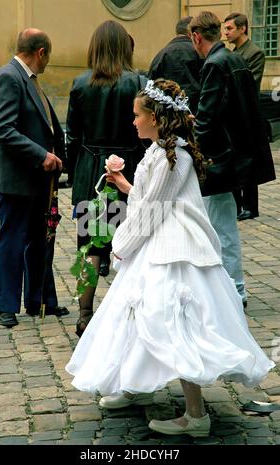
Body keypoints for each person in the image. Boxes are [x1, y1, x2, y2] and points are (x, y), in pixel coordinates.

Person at [66, 78, 274, 438]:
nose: (132, 122)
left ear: (156, 118)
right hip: (159, 236)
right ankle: (135, 386)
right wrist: (124, 185)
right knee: (136, 313)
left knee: (174, 320)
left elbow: (153, 211)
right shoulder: (158, 150)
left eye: (137, 115)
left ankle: (195, 415)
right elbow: (149, 199)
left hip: (173, 246)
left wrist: (121, 245)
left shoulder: (169, 156)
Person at [0, 28, 69, 328]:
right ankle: (5, 305)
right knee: (13, 239)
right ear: (41, 52)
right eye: (48, 57)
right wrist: (41, 155)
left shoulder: (28, 80)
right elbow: (2, 129)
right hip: (17, 178)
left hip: (36, 179)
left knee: (38, 240)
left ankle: (40, 300)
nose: (47, 63)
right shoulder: (9, 77)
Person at [66, 20, 146, 337]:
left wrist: (76, 176)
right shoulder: (137, 82)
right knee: (131, 243)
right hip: (128, 170)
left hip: (92, 173)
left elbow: (73, 135)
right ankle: (130, 311)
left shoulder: (81, 82)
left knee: (90, 246)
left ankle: (85, 314)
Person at [190, 11, 275, 308]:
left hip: (220, 158)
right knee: (221, 223)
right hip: (233, 155)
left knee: (221, 225)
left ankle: (234, 289)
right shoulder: (233, 58)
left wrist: (193, 147)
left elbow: (209, 116)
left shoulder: (215, 63)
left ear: (197, 37)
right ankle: (231, 287)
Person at [224, 12, 266, 221]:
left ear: (243, 29)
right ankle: (238, 203)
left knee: (248, 161)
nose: (226, 33)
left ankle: (250, 205)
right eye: (225, 28)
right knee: (237, 160)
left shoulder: (254, 52)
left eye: (230, 28)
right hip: (234, 113)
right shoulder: (235, 52)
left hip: (248, 113)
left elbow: (250, 82)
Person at [148, 16, 203, 115]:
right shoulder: (200, 52)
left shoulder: (161, 54)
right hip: (198, 113)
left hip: (170, 115)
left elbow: (150, 87)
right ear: (191, 32)